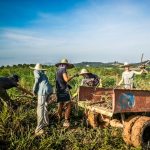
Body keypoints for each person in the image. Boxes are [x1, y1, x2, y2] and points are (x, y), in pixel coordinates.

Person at [30, 63, 53, 136]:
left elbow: (36, 81)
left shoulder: (36, 72)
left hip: (42, 91)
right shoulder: (43, 73)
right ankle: (46, 123)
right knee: (45, 106)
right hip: (48, 90)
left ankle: (39, 128)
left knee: (40, 108)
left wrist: (34, 90)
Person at [55, 58, 78, 128]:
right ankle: (66, 120)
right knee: (68, 104)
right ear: (65, 65)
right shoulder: (63, 69)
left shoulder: (58, 70)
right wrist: (73, 76)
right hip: (64, 90)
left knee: (60, 104)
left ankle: (59, 118)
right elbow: (66, 79)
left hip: (59, 89)